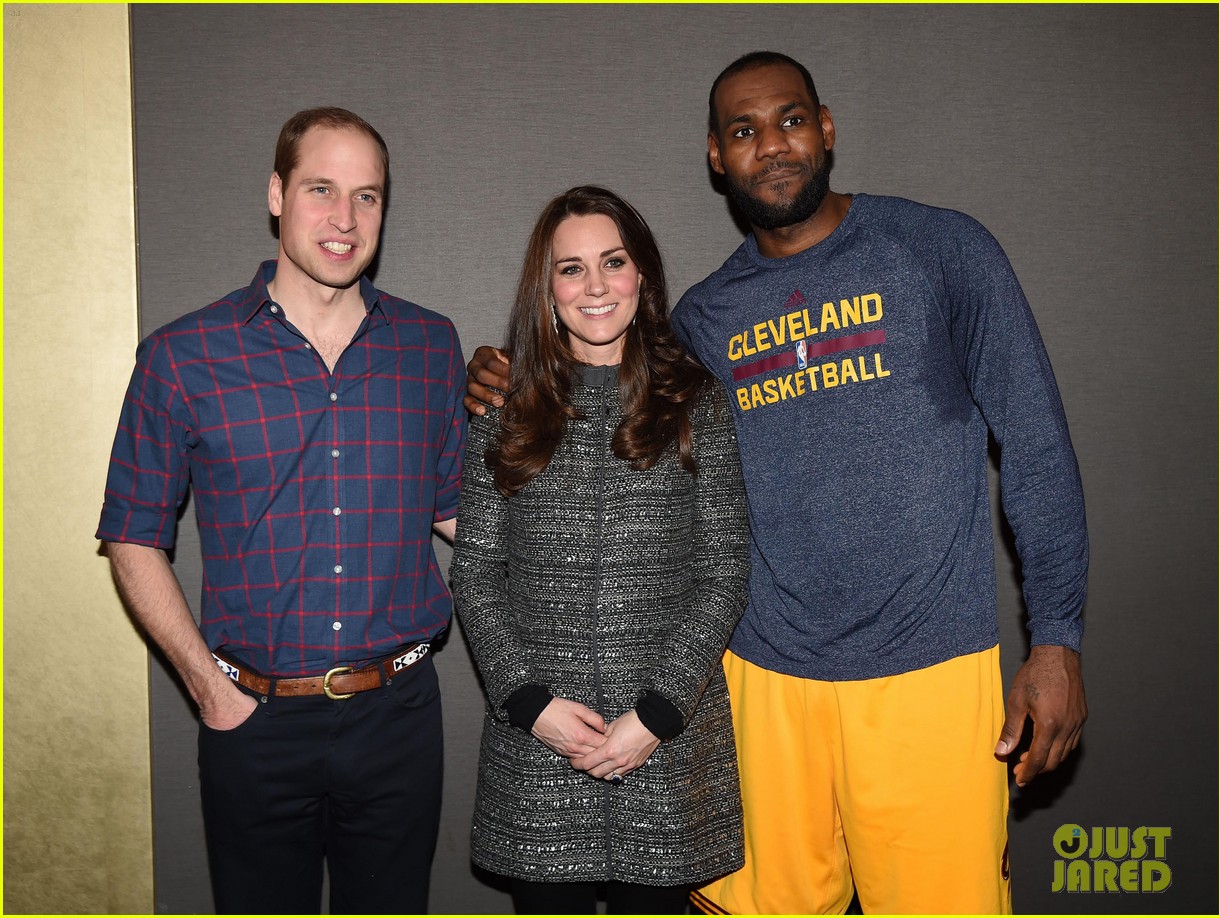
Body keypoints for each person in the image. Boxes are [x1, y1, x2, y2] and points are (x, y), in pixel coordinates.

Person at [464, 53, 1089, 915]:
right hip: (763, 684)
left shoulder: (942, 251)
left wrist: (1056, 639)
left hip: (929, 672)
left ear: (825, 127)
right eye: (743, 130)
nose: (771, 145)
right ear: (716, 156)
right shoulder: (703, 320)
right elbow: (597, 415)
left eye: (790, 120)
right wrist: (510, 375)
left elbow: (1038, 446)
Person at [96, 107, 466, 914]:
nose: (345, 219)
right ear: (276, 194)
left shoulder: (430, 346)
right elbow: (131, 535)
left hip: (400, 716)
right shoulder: (182, 357)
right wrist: (210, 691)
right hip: (252, 721)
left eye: (367, 196)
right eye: (321, 189)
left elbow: (459, 515)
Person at [450, 185, 750, 915]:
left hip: (666, 749)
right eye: (571, 268)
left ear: (641, 275)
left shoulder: (697, 402)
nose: (594, 286)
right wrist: (530, 704)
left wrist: (659, 714)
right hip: (538, 750)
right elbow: (477, 572)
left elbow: (724, 570)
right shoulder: (503, 411)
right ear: (547, 288)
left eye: (612, 262)